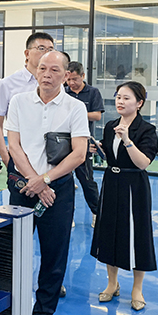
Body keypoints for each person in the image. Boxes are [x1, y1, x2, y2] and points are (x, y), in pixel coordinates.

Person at [5, 51, 89, 315]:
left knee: (54, 254)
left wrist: (46, 180)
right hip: (23, 187)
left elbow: (79, 153)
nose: (47, 75)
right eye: (42, 68)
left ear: (65, 76)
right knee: (13, 251)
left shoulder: (75, 107)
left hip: (58, 190)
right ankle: (10, 306)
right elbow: (14, 146)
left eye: (54, 70)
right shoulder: (19, 101)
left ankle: (43, 310)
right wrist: (36, 180)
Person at [90, 81, 158, 312]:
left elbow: (143, 163)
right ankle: (112, 283)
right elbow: (111, 157)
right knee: (109, 231)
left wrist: (128, 140)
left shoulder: (147, 130)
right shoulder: (111, 126)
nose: (120, 101)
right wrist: (98, 150)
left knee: (138, 234)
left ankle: (137, 289)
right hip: (112, 182)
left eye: (126, 98)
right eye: (118, 97)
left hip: (134, 185)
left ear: (139, 103)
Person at [0, 32, 54, 167]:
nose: (46, 53)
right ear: (27, 53)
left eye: (50, 50)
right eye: (41, 48)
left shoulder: (56, 84)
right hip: (21, 157)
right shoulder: (7, 84)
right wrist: (6, 157)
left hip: (53, 157)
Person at [65, 61, 104, 224]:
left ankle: (97, 213)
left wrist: (78, 113)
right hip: (64, 143)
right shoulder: (63, 92)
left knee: (87, 181)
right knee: (63, 182)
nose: (71, 83)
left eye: (75, 79)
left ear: (83, 76)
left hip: (83, 143)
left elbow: (97, 115)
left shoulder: (93, 92)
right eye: (68, 79)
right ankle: (67, 216)